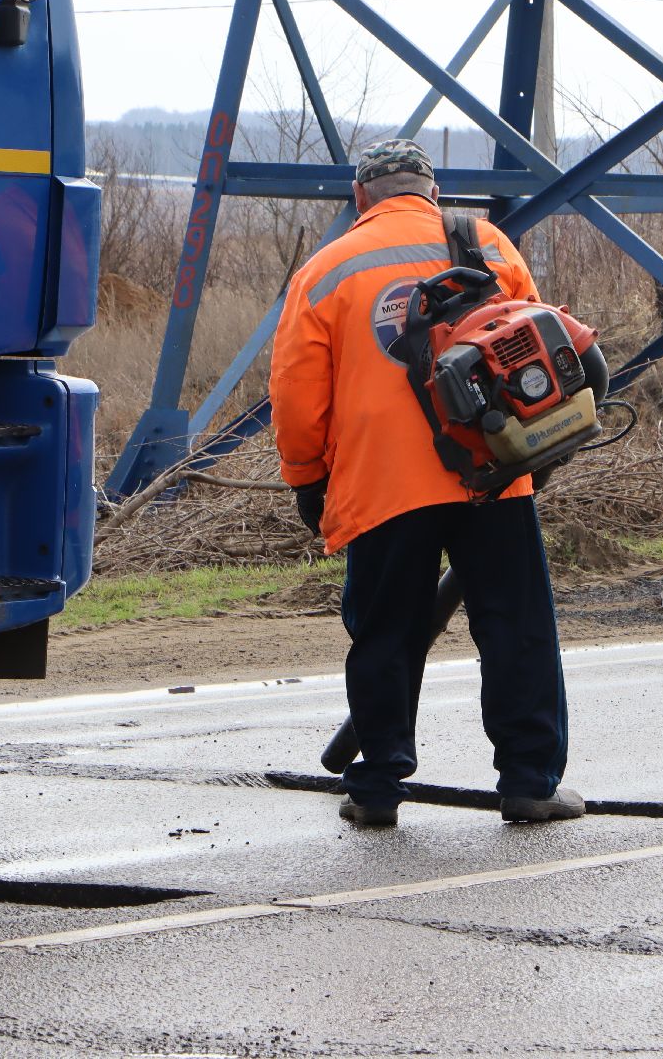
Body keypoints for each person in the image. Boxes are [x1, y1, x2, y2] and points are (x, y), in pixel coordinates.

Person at [269, 138, 584, 828]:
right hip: (491, 471)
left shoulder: (327, 272)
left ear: (361, 199)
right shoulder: (490, 246)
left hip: (383, 483)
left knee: (384, 633)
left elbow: (297, 398)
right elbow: (548, 347)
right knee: (515, 625)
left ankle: (377, 787)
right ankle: (530, 782)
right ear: (432, 192)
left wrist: (306, 479)